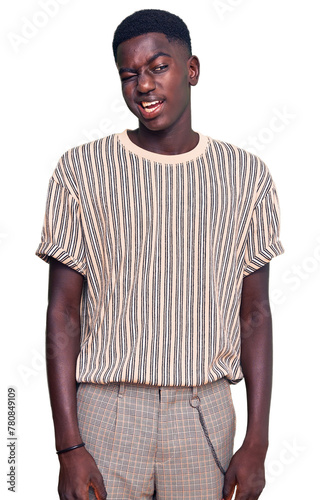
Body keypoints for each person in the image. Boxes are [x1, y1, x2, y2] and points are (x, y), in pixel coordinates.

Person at [35, 8, 284, 500]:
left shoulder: (246, 177)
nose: (143, 85)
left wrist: (257, 442)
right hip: (107, 413)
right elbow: (62, 314)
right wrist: (68, 447)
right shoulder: (81, 171)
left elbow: (255, 312)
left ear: (191, 70)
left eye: (158, 66)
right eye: (129, 75)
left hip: (203, 414)